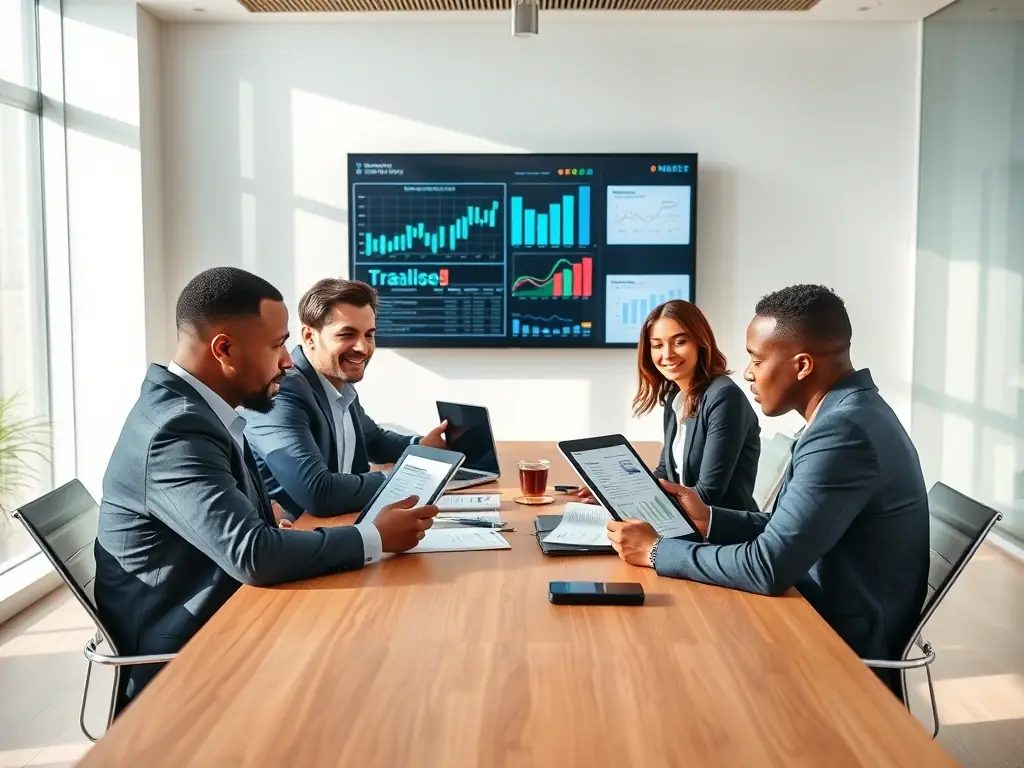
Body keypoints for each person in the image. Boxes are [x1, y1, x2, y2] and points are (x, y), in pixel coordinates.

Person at [95, 267, 438, 703]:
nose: (288, 361)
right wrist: (375, 536)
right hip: (192, 661)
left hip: (236, 619)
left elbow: (244, 535)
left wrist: (263, 517)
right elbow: (253, 554)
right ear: (224, 349)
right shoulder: (176, 430)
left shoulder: (202, 413)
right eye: (277, 345)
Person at [605, 285, 929, 698]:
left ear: (802, 365)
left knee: (664, 664)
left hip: (835, 644)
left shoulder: (842, 432)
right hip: (816, 608)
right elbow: (784, 528)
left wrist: (655, 552)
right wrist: (709, 519)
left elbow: (767, 567)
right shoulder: (849, 414)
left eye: (757, 360)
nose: (748, 373)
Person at [244, 278, 447, 520]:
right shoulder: (281, 390)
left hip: (340, 524)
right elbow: (319, 492)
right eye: (347, 334)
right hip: (295, 532)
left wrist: (422, 444)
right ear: (309, 336)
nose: (363, 348)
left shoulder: (339, 382)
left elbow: (373, 440)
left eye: (369, 335)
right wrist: (406, 477)